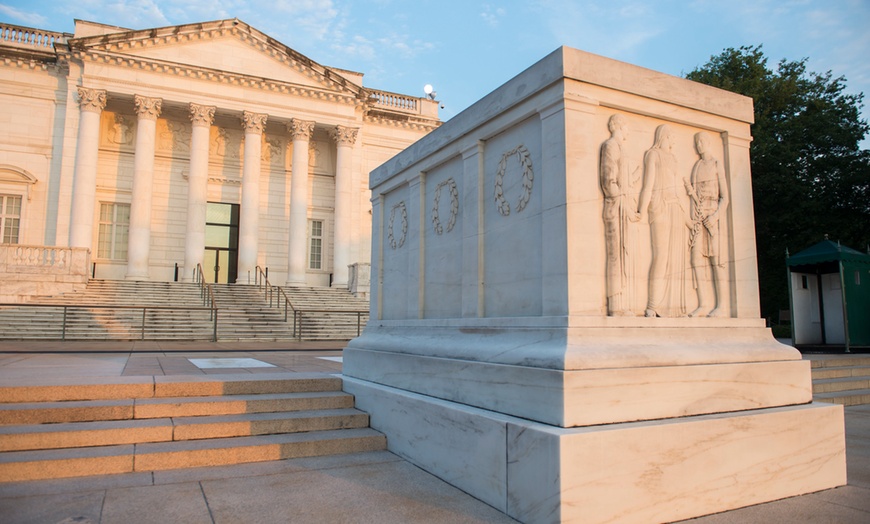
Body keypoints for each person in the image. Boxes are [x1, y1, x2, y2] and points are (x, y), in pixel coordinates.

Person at [637, 124, 689, 317]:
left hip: (676, 209)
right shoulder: (653, 155)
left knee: (676, 259)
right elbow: (648, 185)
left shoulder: (674, 158)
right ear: (665, 136)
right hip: (660, 207)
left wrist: (688, 219)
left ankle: (673, 307)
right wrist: (641, 211)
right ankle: (652, 305)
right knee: (661, 256)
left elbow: (678, 190)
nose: (674, 139)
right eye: (672, 135)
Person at [684, 132, 729, 317]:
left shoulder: (716, 164)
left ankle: (722, 305)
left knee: (716, 261)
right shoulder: (697, 166)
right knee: (696, 259)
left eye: (701, 141)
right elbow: (694, 197)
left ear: (708, 142)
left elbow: (725, 197)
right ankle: (703, 304)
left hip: (712, 216)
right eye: (697, 142)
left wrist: (715, 216)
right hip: (699, 215)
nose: (698, 145)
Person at [599, 114, 638, 315]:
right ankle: (615, 305)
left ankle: (625, 303)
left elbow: (624, 179)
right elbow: (609, 181)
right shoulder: (610, 146)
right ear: (619, 126)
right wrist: (622, 202)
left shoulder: (622, 148)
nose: (629, 131)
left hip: (625, 206)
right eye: (627, 126)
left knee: (626, 256)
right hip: (616, 208)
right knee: (616, 256)